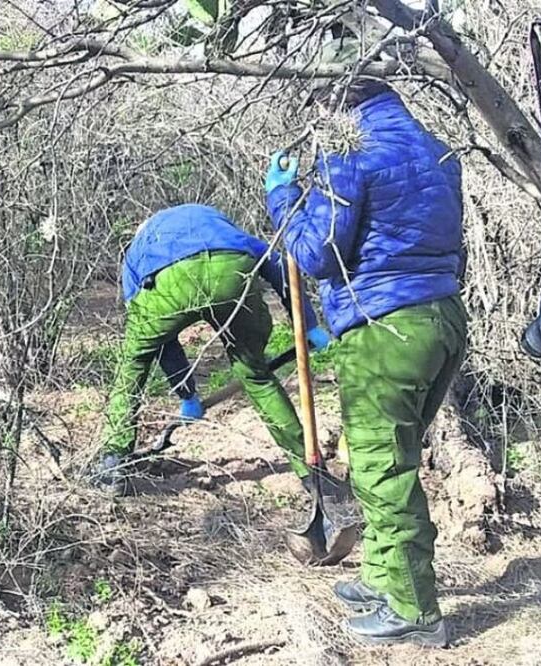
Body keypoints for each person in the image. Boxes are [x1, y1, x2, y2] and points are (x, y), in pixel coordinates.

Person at [266, 81, 467, 648]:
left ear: (338, 101)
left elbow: (315, 254)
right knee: (389, 458)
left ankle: (414, 611)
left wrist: (283, 198)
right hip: (441, 318)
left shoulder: (350, 152)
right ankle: (382, 577)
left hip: (384, 331)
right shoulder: (438, 150)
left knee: (384, 471)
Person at [94, 203, 330, 495]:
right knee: (256, 375)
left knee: (133, 365)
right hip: (231, 270)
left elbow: (161, 344)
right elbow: (278, 264)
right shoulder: (217, 224)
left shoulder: (136, 255)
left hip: (165, 288)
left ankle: (112, 463)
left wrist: (187, 393)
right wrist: (307, 323)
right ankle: (314, 475)